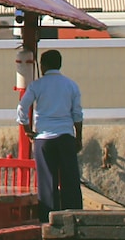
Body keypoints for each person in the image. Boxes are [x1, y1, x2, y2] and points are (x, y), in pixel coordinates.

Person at [17, 48, 84, 214]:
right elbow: (77, 114)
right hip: (66, 136)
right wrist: (78, 138)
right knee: (70, 180)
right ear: (60, 64)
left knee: (47, 182)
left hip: (44, 139)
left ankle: (48, 220)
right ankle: (74, 216)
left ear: (43, 65)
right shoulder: (71, 85)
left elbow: (22, 108)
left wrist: (27, 129)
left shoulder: (36, 85)